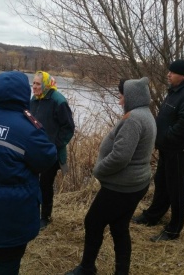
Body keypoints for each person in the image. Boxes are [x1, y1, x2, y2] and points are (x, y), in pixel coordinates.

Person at [0, 71, 57, 275]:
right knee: (6, 261)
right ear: (22, 94)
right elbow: (48, 158)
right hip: (11, 212)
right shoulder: (26, 126)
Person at [66, 77, 156, 275]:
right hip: (135, 183)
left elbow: (120, 157)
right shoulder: (145, 114)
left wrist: (99, 170)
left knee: (93, 222)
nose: (119, 101)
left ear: (132, 97)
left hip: (121, 186)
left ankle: (87, 268)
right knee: (119, 226)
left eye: (122, 96)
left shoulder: (134, 119)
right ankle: (121, 272)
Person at [132, 59, 184, 242]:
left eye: (172, 72)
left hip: (179, 150)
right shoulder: (175, 91)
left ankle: (173, 229)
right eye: (169, 71)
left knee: (177, 189)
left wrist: (166, 137)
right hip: (167, 149)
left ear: (183, 75)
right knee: (162, 182)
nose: (168, 74)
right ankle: (152, 216)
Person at [30, 70, 75, 230]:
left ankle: (45, 217)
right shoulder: (35, 100)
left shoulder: (58, 101)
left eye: (37, 84)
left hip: (52, 153)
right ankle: (32, 212)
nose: (33, 87)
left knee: (45, 184)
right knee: (32, 181)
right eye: (33, 83)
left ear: (46, 85)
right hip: (35, 151)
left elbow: (68, 128)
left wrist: (54, 145)